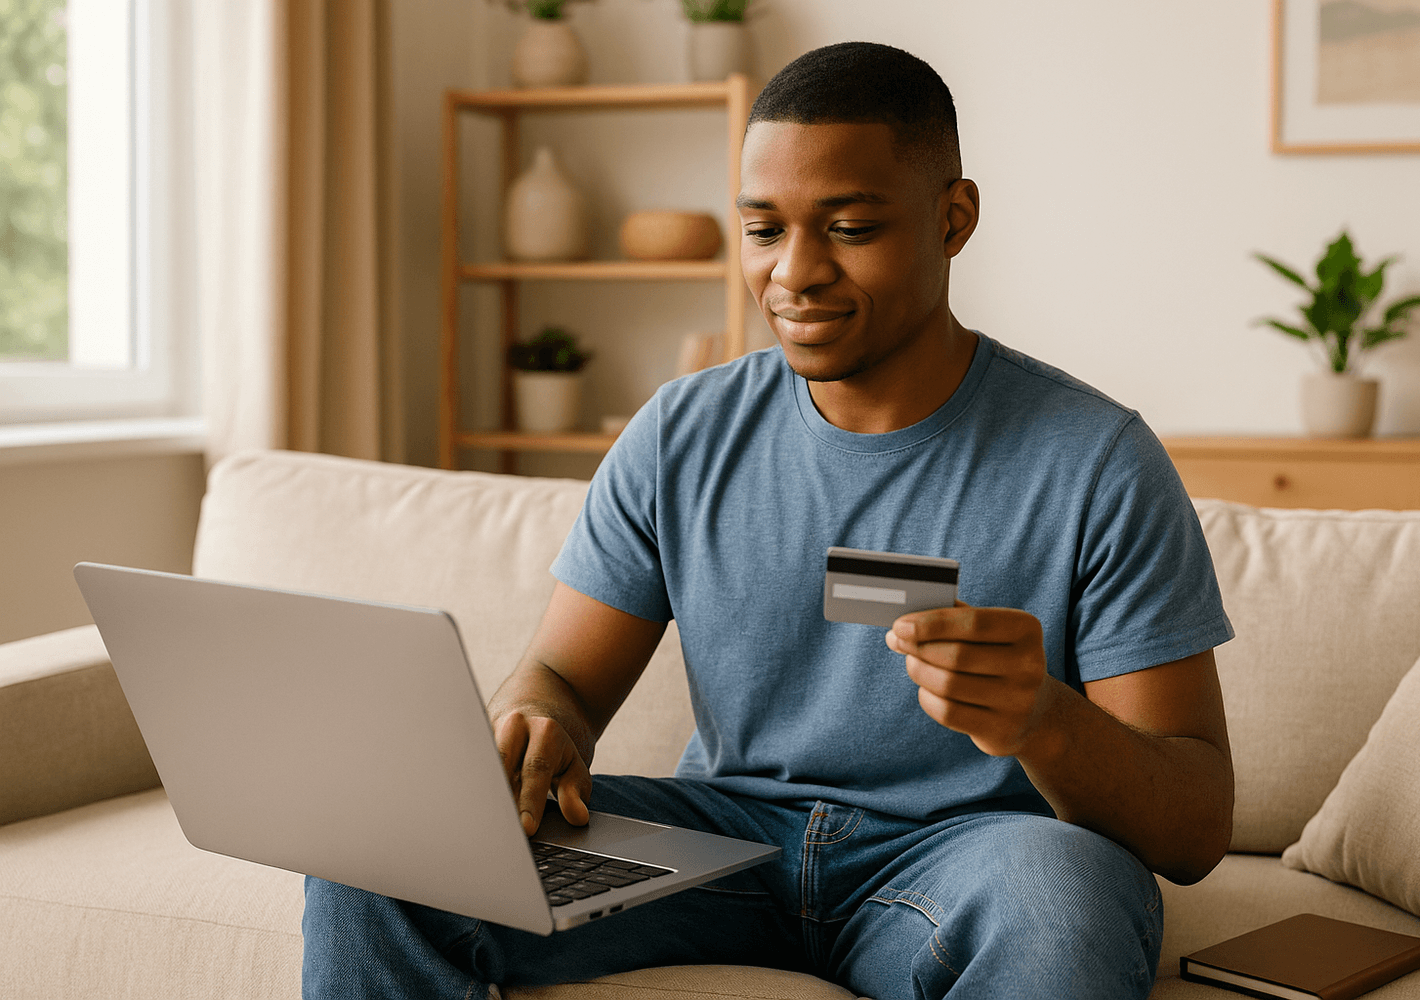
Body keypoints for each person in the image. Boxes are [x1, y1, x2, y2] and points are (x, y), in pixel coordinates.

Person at [302, 41, 1235, 1000]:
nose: (795, 273)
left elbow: (1196, 827)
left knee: (1068, 896)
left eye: (851, 228)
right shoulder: (682, 432)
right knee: (385, 847)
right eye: (763, 229)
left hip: (965, 859)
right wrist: (536, 714)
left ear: (953, 221)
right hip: (717, 848)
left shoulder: (1097, 461)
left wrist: (1046, 719)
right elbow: (565, 676)